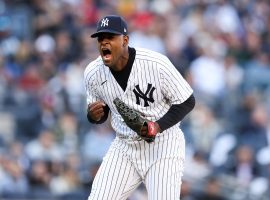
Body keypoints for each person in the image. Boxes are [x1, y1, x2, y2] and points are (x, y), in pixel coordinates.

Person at [84, 15, 195, 200]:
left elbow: (187, 100)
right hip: (125, 146)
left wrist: (157, 126)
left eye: (110, 38)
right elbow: (101, 115)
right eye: (100, 39)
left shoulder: (155, 64)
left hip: (163, 145)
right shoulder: (93, 73)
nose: (104, 43)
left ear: (125, 40)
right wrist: (93, 116)